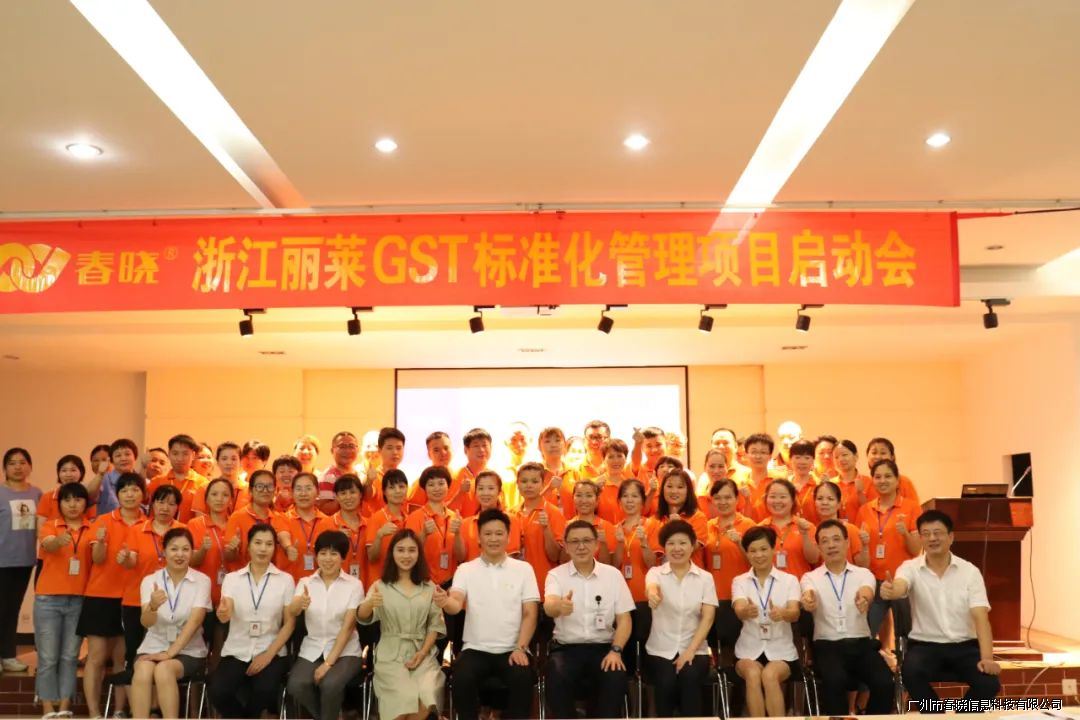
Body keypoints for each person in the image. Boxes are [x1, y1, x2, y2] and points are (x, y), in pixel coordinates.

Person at [882, 510, 1002, 709]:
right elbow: (901, 585)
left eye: (937, 532)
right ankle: (934, 714)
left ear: (951, 537)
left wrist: (987, 658)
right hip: (925, 646)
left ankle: (964, 716)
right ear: (921, 539)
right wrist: (892, 590)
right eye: (926, 533)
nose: (932, 538)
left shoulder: (969, 572)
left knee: (989, 684)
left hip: (965, 646)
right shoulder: (909, 568)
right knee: (910, 673)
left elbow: (981, 617)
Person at [434, 509, 539, 720]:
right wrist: (445, 601)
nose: (493, 539)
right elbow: (455, 603)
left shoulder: (523, 569)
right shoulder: (466, 569)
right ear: (479, 538)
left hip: (513, 648)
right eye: (488, 534)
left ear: (508, 537)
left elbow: (530, 613)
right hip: (475, 649)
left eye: (499, 533)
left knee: (522, 677)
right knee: (462, 677)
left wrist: (520, 648)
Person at [800, 520, 893, 715]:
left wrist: (864, 599)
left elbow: (867, 591)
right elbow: (809, 593)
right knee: (834, 681)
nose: (831, 545)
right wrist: (809, 600)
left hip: (861, 645)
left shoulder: (863, 574)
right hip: (827, 645)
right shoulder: (810, 577)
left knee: (884, 681)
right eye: (825, 541)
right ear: (819, 547)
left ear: (847, 542)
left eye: (836, 539)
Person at [544, 520, 634, 719]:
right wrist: (559, 606)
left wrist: (616, 650)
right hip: (566, 650)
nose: (581, 546)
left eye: (586, 540)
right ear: (566, 546)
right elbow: (549, 605)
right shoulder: (556, 575)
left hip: (604, 649)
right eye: (574, 542)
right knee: (556, 675)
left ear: (596, 544)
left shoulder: (613, 575)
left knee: (615, 676)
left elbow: (625, 619)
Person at [209, 523, 296, 718]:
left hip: (271, 650)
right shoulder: (232, 579)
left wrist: (268, 655)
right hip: (237, 649)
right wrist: (223, 614)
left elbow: (289, 623)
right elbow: (226, 611)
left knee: (265, 690)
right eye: (258, 543)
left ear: (275, 548)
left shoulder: (285, 580)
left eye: (269, 544)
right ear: (248, 546)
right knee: (218, 692)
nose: (263, 549)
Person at [359, 529, 447, 720]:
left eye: (411, 550)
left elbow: (435, 626)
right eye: (400, 550)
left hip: (422, 654)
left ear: (419, 554)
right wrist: (369, 603)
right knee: (403, 696)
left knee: (427, 693)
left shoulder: (429, 587)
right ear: (392, 553)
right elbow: (363, 616)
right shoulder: (380, 586)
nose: (406, 555)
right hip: (390, 655)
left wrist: (422, 653)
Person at [79, 471, 145, 719]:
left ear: (143, 494)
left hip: (132, 598)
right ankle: (94, 713)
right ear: (117, 495)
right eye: (124, 490)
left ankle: (118, 710)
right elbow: (96, 559)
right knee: (96, 658)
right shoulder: (103, 520)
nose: (129, 494)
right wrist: (102, 544)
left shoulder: (147, 524)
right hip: (101, 596)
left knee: (122, 658)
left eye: (135, 489)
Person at [130, 527, 211, 720]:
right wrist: (152, 606)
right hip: (153, 646)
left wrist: (169, 654)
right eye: (174, 549)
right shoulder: (150, 581)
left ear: (192, 552)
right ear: (164, 551)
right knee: (142, 670)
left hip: (189, 650)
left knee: (164, 669)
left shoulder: (202, 581)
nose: (180, 554)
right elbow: (146, 622)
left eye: (185, 549)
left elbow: (195, 622)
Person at [286, 530, 364, 720]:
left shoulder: (354, 585)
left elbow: (348, 628)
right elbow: (293, 610)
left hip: (345, 651)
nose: (327, 559)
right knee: (296, 685)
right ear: (316, 556)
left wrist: (328, 664)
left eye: (334, 553)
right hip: (313, 647)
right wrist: (299, 604)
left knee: (330, 684)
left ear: (342, 557)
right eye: (323, 553)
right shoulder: (306, 582)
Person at [644, 519, 717, 717]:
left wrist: (690, 651)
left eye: (683, 543)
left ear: (692, 546)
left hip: (696, 649)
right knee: (665, 682)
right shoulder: (655, 573)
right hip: (660, 649)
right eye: (671, 543)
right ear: (664, 547)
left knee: (690, 678)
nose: (677, 548)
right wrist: (653, 595)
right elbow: (651, 588)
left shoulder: (705, 578)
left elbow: (708, 617)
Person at [35, 482, 93, 718]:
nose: (72, 504)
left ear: (85, 504)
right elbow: (48, 544)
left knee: (70, 657)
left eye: (78, 499)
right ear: (59, 504)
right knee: (48, 657)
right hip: (48, 599)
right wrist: (58, 541)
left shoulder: (93, 528)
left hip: (79, 600)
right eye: (67, 500)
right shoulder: (50, 525)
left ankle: (65, 706)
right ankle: (48, 707)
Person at [732, 526, 801, 717]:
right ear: (747, 553)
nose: (759, 555)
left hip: (782, 651)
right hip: (747, 650)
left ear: (773, 549)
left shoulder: (790, 580)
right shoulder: (739, 581)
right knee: (753, 674)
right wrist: (746, 611)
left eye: (763, 549)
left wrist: (783, 614)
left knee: (770, 675)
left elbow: (795, 613)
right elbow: (739, 609)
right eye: (753, 551)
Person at [122, 484, 185, 675]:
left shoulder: (183, 531)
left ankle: (160, 693)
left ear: (177, 507)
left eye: (171, 504)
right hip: (136, 600)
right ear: (152, 504)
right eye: (161, 502)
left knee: (166, 655)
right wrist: (126, 558)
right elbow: (131, 561)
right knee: (136, 654)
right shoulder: (137, 530)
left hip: (174, 602)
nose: (165, 508)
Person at [856, 459, 921, 638]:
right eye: (877, 477)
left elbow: (916, 550)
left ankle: (904, 656)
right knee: (867, 631)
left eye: (888, 476)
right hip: (873, 579)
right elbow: (859, 551)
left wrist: (905, 534)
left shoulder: (911, 507)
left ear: (897, 480)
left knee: (906, 634)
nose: (882, 480)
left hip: (902, 580)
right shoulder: (864, 510)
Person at [0, 447, 42, 671]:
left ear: (30, 466)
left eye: (23, 462)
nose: (18, 467)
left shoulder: (36, 493)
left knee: (12, 609)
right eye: (12, 463)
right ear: (5, 468)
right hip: (2, 560)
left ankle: (8, 656)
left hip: (24, 560)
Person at [704, 478, 755, 651]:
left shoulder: (748, 525)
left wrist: (740, 544)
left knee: (738, 647)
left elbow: (757, 562)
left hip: (739, 596)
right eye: (718, 498)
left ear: (737, 499)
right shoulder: (708, 526)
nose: (723, 502)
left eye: (728, 497)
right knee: (716, 646)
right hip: (712, 596)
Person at [613, 478, 657, 670]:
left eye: (635, 496)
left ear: (643, 501)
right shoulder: (614, 528)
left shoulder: (653, 525)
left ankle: (647, 688)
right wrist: (619, 544)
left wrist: (645, 543)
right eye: (625, 496)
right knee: (626, 650)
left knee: (648, 649)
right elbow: (614, 565)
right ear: (619, 501)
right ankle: (628, 687)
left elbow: (653, 563)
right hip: (621, 597)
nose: (629, 500)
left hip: (645, 596)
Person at [188, 478, 233, 663]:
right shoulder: (195, 525)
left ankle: (216, 679)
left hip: (229, 595)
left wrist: (235, 549)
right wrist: (203, 550)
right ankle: (198, 681)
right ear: (206, 499)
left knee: (222, 647)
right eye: (214, 494)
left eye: (225, 495)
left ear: (231, 500)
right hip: (203, 594)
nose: (219, 499)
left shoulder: (235, 523)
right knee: (200, 647)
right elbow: (191, 561)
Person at [512, 462, 566, 593]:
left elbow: (556, 557)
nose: (529, 485)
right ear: (517, 484)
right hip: (516, 588)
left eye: (534, 481)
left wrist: (546, 529)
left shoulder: (553, 513)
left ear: (542, 484)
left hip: (544, 587)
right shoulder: (511, 513)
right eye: (524, 481)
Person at [758, 479, 820, 579]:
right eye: (772, 496)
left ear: (793, 500)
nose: (777, 501)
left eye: (783, 497)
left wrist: (804, 534)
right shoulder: (759, 529)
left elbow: (814, 559)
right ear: (766, 499)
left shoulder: (806, 526)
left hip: (800, 585)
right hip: (768, 586)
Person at [223, 469, 284, 571]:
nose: (265, 490)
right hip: (244, 576)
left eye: (269, 486)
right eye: (260, 486)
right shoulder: (237, 517)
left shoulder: (279, 518)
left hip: (272, 575)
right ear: (250, 491)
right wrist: (233, 549)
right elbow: (228, 557)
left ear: (275, 490)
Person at [456, 470, 522, 562]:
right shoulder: (466, 524)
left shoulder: (511, 520)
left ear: (499, 492)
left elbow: (512, 556)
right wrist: (457, 533)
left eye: (491, 488)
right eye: (481, 488)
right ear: (475, 492)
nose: (485, 493)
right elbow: (460, 558)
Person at [313, 474, 368, 580]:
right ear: (336, 497)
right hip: (336, 584)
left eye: (352, 492)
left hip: (366, 584)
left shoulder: (369, 524)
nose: (348, 497)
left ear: (360, 494)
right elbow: (317, 559)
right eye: (343, 493)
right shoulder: (325, 524)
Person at [275, 472, 327, 584]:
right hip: (289, 584)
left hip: (320, 584)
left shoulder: (328, 522)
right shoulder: (282, 518)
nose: (303, 493)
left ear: (318, 492)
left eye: (308, 488)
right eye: (298, 489)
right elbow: (283, 535)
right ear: (292, 493)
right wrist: (288, 547)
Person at [647, 469, 709, 561]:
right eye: (669, 486)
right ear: (662, 489)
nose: (674, 491)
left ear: (688, 491)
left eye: (680, 487)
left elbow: (693, 547)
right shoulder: (655, 520)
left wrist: (678, 527)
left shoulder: (698, 517)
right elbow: (653, 559)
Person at [146, 434, 207, 522]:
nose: (180, 458)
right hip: (158, 530)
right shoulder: (157, 481)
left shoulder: (203, 484)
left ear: (193, 455)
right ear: (169, 454)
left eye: (185, 454)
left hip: (188, 530)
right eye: (175, 453)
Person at [366, 468, 410, 587]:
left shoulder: (409, 518)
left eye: (401, 486)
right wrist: (379, 536)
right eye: (391, 487)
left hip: (403, 585)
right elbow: (371, 557)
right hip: (380, 585)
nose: (397, 491)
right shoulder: (376, 518)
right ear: (384, 492)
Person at [814, 481, 869, 567]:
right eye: (820, 498)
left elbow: (863, 565)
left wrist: (865, 546)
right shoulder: (813, 531)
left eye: (830, 499)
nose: (824, 503)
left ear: (839, 504)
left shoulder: (850, 530)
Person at [564, 479, 616, 564]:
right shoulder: (567, 526)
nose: (583, 500)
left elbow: (609, 565)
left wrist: (603, 543)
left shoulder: (607, 527)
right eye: (579, 495)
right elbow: (563, 561)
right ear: (573, 498)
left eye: (589, 496)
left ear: (597, 500)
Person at [37, 454, 97, 523]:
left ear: (81, 472)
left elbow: (93, 524)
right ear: (58, 473)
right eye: (64, 470)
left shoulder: (88, 496)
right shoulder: (47, 497)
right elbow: (41, 526)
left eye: (73, 470)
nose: (68, 474)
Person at [362, 427, 406, 516]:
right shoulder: (374, 477)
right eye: (389, 448)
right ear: (379, 450)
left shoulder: (402, 476)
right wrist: (369, 482)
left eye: (399, 448)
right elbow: (367, 495)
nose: (395, 452)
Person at [405, 431, 454, 511]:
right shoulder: (422, 483)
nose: (443, 453)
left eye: (446, 448)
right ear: (429, 454)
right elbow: (413, 513)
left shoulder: (460, 477)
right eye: (436, 450)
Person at [449, 428, 491, 518]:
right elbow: (446, 511)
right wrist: (461, 493)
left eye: (485, 445)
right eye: (476, 446)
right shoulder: (455, 478)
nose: (481, 450)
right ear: (465, 450)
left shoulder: (495, 477)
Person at [92, 438, 140, 516]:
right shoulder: (104, 479)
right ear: (111, 460)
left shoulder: (141, 479)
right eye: (118, 455)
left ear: (135, 457)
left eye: (127, 454)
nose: (123, 459)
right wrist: (100, 474)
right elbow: (90, 498)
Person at [865, 438, 920, 506]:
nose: (878, 457)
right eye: (874, 453)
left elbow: (914, 509)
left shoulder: (904, 482)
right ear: (867, 456)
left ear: (892, 457)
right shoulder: (864, 483)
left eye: (883, 453)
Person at [317, 431, 360, 515]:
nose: (347, 451)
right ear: (332, 450)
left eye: (351, 446)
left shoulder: (360, 473)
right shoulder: (328, 477)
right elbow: (324, 510)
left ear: (358, 449)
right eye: (342, 446)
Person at [742, 433, 783, 522]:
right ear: (746, 454)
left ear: (770, 456)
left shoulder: (779, 482)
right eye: (754, 452)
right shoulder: (739, 482)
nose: (758, 456)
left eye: (763, 452)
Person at [592, 438, 633, 523]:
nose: (616, 461)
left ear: (625, 459)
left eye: (619, 456)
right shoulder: (593, 485)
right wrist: (594, 491)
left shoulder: (632, 485)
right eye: (611, 457)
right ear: (603, 459)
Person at [834, 439, 872, 522]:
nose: (840, 459)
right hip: (836, 529)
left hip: (862, 528)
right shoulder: (831, 484)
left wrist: (860, 494)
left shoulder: (868, 482)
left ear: (856, 456)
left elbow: (872, 512)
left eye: (844, 455)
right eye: (836, 457)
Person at [783, 440, 820, 522]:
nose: (802, 462)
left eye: (807, 458)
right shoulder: (784, 485)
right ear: (790, 459)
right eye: (797, 457)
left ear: (813, 460)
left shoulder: (819, 485)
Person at [214, 441, 246, 510]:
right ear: (217, 462)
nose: (229, 463)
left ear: (241, 462)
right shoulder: (206, 489)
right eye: (224, 459)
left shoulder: (250, 490)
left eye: (234, 459)